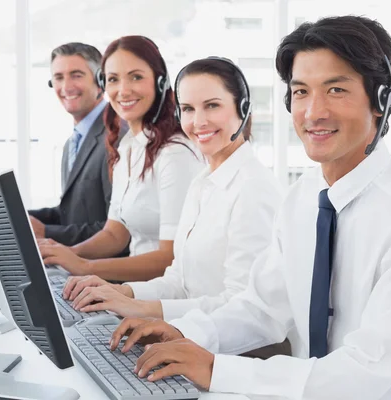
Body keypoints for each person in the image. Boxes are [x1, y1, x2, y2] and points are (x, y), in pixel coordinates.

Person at [108, 16, 391, 399]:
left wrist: (215, 368)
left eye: (335, 89)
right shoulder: (303, 198)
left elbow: (365, 370)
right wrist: (187, 335)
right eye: (301, 92)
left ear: (381, 101)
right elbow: (262, 307)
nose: (313, 112)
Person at [61, 57, 283, 327]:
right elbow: (178, 281)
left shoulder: (253, 188)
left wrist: (138, 307)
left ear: (243, 109)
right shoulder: (203, 182)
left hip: (231, 353)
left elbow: (241, 307)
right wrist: (123, 292)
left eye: (212, 106)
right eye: (188, 109)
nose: (198, 121)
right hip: (190, 335)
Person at [39, 36, 203, 282]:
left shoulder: (176, 153)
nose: (123, 90)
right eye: (114, 79)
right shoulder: (128, 147)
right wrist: (65, 255)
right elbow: (115, 233)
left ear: (160, 82)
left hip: (165, 297)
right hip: (135, 292)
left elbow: (171, 258)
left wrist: (84, 266)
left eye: (136, 77)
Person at [28, 42, 115, 247]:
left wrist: (47, 232)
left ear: (101, 80)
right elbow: (74, 213)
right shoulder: (72, 143)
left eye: (76, 75)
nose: (66, 87)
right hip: (77, 266)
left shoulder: (116, 136)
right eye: (58, 78)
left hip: (105, 271)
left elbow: (118, 230)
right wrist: (17, 217)